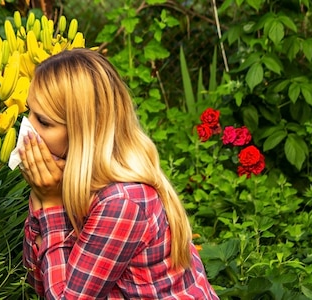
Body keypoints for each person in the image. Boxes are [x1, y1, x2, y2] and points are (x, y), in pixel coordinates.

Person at [19, 48, 218, 299]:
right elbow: (39, 281)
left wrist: (49, 206)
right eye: (29, 112)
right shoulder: (68, 178)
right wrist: (44, 200)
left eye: (44, 122)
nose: (27, 130)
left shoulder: (122, 201)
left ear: (84, 130)